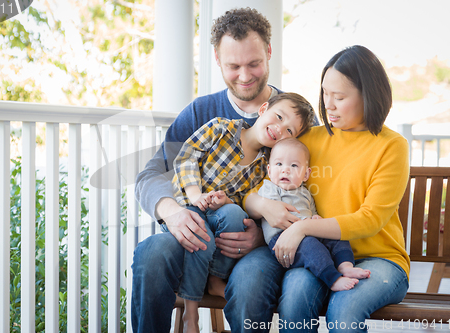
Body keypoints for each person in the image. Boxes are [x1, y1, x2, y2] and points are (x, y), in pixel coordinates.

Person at [132, 7, 318, 333]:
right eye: (233, 66)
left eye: (254, 64)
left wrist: (262, 236)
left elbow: (310, 192)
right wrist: (173, 212)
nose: (245, 76)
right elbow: (152, 174)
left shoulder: (296, 120)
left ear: (269, 52)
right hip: (195, 227)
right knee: (152, 254)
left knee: (249, 284)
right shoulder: (201, 113)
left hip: (257, 247)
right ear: (217, 58)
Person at [245, 45, 410, 332]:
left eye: (340, 97)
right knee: (296, 297)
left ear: (367, 96)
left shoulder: (391, 146)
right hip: (319, 254)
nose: (328, 105)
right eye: (325, 93)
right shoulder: (309, 139)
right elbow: (258, 188)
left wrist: (302, 228)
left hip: (381, 259)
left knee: (343, 312)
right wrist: (262, 206)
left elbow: (370, 219)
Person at [173, 93, 315, 332]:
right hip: (191, 208)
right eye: (278, 117)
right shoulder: (220, 128)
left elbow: (243, 201)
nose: (279, 129)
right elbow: (187, 156)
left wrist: (228, 201)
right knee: (206, 224)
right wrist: (197, 195)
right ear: (263, 109)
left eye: (289, 131)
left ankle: (215, 280)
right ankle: (192, 313)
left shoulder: (267, 167)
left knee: (231, 214)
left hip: (223, 221)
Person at [259, 138, 370, 292]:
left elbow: (311, 211)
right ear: (269, 171)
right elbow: (273, 213)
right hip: (282, 239)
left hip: (306, 231)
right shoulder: (270, 188)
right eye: (279, 164)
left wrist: (316, 218)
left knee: (337, 237)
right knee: (311, 247)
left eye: (294, 165)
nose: (285, 170)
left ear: (306, 174)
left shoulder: (305, 192)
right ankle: (333, 279)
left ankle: (346, 266)